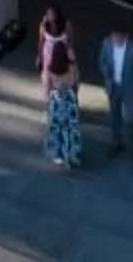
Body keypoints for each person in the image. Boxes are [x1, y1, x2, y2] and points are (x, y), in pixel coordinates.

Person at [98, 28, 133, 159]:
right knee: (114, 116)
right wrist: (105, 70)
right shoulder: (106, 43)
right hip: (113, 87)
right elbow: (101, 61)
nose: (115, 40)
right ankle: (116, 143)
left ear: (125, 36)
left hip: (128, 88)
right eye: (113, 36)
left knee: (130, 118)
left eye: (118, 37)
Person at [41, 34, 86, 170]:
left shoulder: (50, 68)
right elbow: (76, 83)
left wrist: (48, 101)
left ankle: (58, 154)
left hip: (56, 99)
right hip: (69, 98)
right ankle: (72, 154)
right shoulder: (72, 68)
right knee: (71, 128)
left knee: (56, 128)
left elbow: (47, 86)